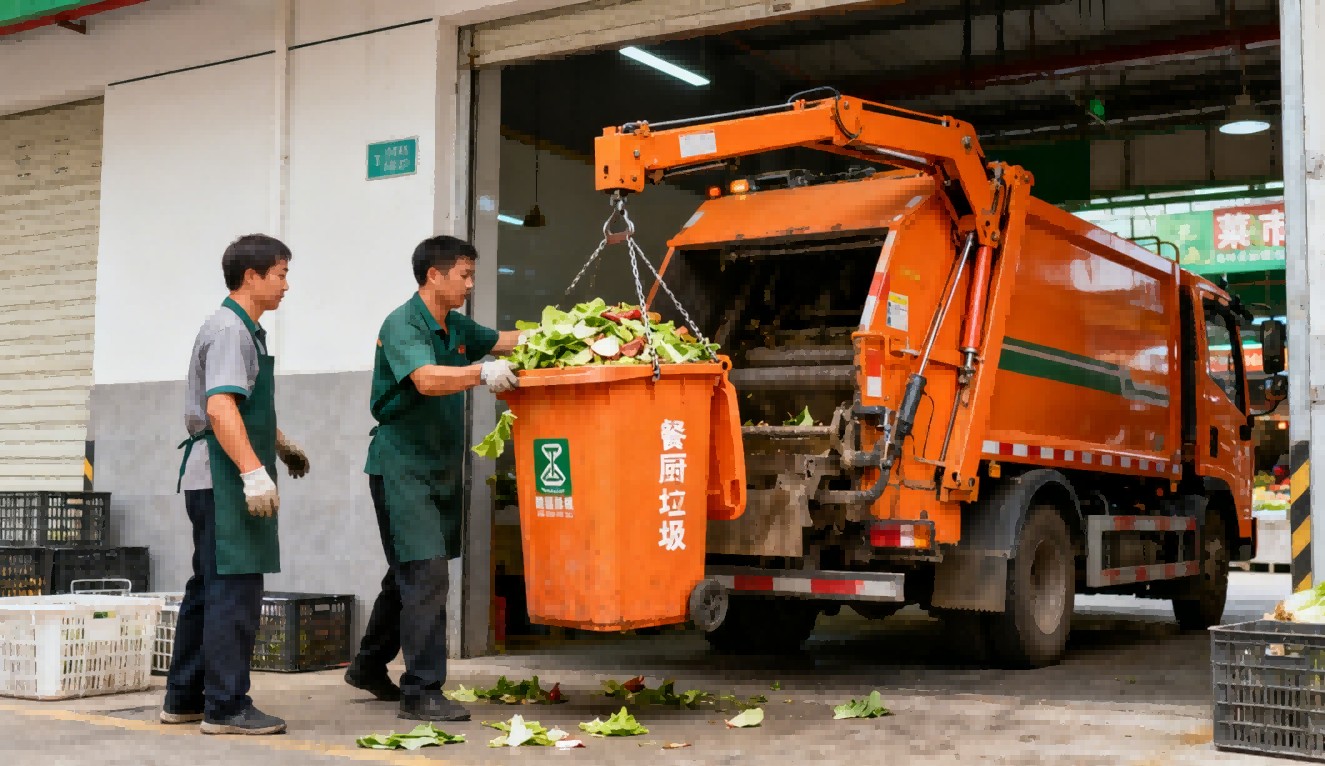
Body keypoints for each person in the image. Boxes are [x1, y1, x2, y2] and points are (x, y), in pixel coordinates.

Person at [344, 235, 522, 721]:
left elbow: (505, 340)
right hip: (401, 466)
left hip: (438, 466)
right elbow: (425, 378)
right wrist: (481, 374)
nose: (469, 284)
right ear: (434, 275)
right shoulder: (403, 323)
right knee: (425, 573)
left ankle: (366, 665)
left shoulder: (454, 324)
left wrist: (587, 335)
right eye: (463, 275)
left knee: (408, 571)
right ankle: (421, 691)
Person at [163, 234, 310, 735]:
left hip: (213, 476)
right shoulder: (232, 330)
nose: (287, 285)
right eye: (282, 274)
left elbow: (235, 403)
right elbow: (220, 407)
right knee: (234, 591)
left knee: (207, 589)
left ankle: (183, 697)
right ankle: (226, 706)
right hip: (225, 481)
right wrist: (253, 472)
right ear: (252, 277)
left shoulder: (239, 327)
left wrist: (280, 443)